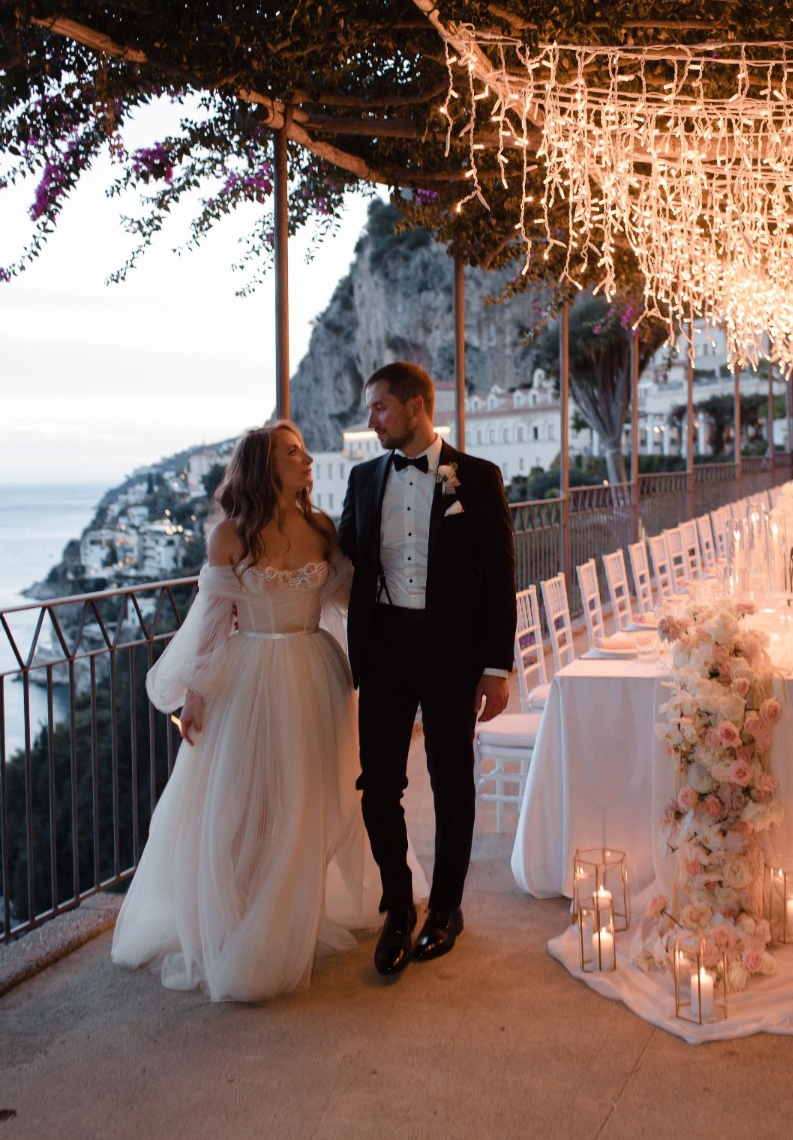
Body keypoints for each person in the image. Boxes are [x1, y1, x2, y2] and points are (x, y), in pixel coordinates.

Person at [111, 420, 393, 1002]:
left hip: (315, 673)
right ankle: (240, 919)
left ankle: (284, 925)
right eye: (294, 452)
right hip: (250, 679)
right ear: (267, 465)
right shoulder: (231, 537)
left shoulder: (320, 528)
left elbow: (346, 599)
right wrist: (195, 693)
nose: (307, 458)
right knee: (246, 805)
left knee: (308, 799)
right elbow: (212, 624)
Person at [339, 362, 516, 976]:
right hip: (384, 648)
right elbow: (339, 552)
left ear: (415, 407)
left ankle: (446, 909)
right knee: (379, 785)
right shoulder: (363, 480)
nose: (371, 421)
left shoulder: (479, 477)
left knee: (451, 781)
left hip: (451, 653)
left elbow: (499, 579)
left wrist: (497, 667)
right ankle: (397, 906)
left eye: (380, 409)